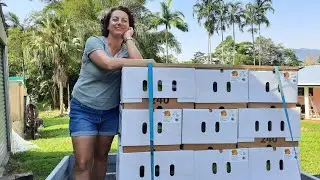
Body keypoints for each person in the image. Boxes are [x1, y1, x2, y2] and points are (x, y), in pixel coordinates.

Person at [69, 6, 151, 180]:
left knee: (101, 158)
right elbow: (107, 64)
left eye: (124, 20)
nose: (119, 22)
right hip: (83, 109)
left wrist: (128, 39)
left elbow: (141, 66)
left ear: (130, 27)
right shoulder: (94, 42)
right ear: (107, 24)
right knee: (83, 161)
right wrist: (133, 62)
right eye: (115, 19)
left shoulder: (127, 50)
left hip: (110, 112)